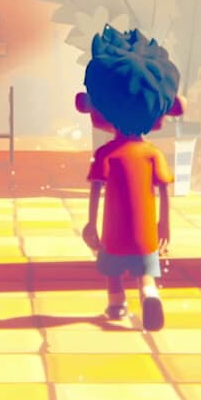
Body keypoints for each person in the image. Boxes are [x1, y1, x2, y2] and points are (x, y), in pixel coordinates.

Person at [78, 26, 183, 332]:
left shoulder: (106, 154)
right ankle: (149, 293)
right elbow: (163, 192)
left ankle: (116, 303)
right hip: (145, 231)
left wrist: (91, 224)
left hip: (113, 231)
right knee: (144, 269)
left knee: (112, 268)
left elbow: (96, 192)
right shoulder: (152, 154)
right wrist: (164, 224)